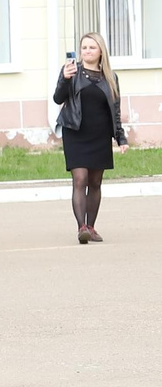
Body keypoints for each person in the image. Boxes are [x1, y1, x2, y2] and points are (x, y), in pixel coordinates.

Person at [56, 31, 128, 242]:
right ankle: (81, 228)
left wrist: (120, 138)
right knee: (80, 179)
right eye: (84, 47)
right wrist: (64, 79)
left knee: (95, 182)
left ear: (100, 51)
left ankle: (91, 226)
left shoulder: (110, 77)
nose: (87, 51)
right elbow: (57, 98)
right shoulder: (72, 72)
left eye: (92, 47)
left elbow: (115, 110)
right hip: (75, 133)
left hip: (99, 135)